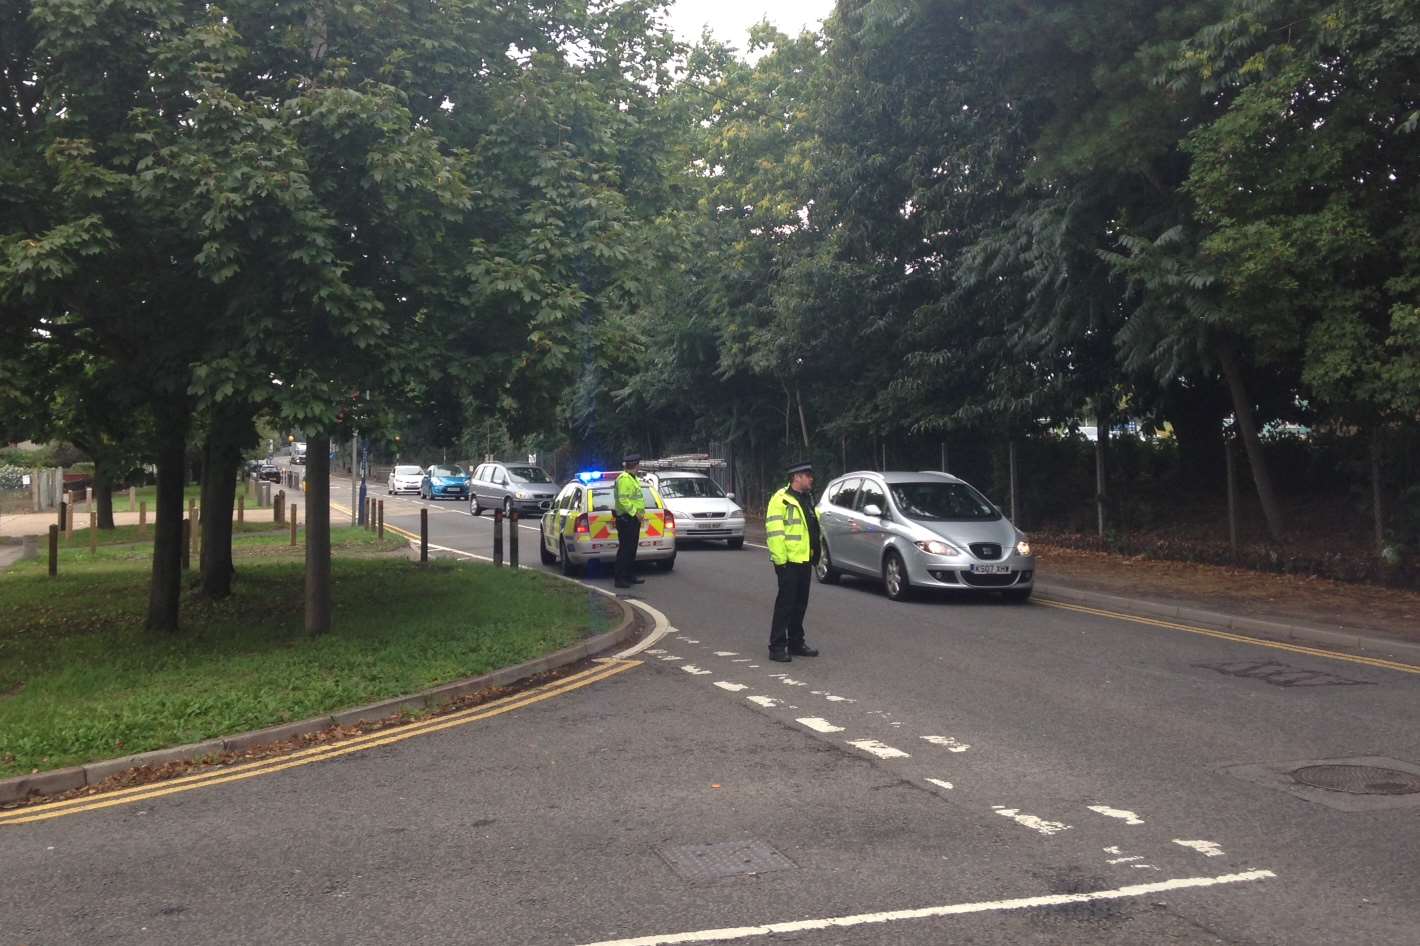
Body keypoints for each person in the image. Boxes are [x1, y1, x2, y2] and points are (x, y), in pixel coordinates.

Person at [765, 460, 821, 662]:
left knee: (800, 605)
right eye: (808, 475)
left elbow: (813, 526)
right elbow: (774, 531)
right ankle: (777, 647)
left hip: (805, 559)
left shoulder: (807, 499)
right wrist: (781, 562)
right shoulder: (780, 500)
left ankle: (796, 642)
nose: (811, 478)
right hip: (788, 562)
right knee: (785, 605)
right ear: (796, 477)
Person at [613, 453, 646, 589]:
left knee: (631, 549)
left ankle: (629, 575)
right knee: (625, 549)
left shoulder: (633, 478)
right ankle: (619, 579)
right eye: (638, 465)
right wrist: (635, 513)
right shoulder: (624, 479)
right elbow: (623, 499)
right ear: (636, 465)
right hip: (627, 518)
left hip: (632, 519)